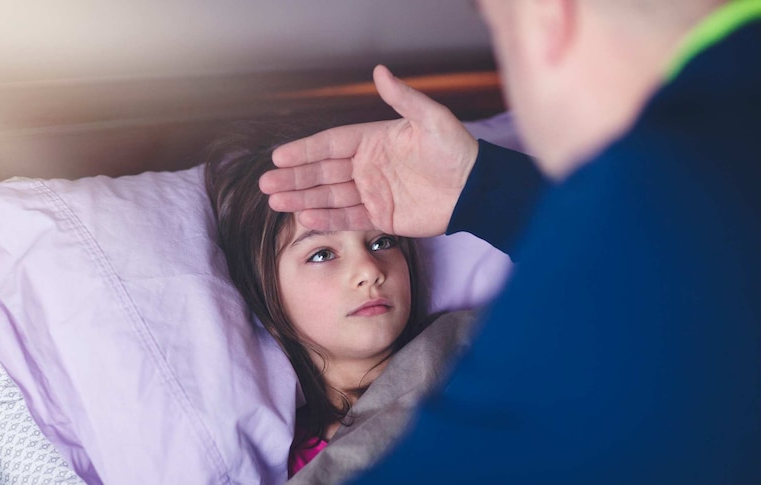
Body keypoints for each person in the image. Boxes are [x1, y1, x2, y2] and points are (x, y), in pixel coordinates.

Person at [259, 0, 761, 482]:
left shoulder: (648, 194)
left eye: (495, 30)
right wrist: (482, 187)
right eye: (322, 253)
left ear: (548, 13)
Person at [203, 123, 433, 478]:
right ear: (264, 294)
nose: (369, 270)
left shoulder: (475, 344)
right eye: (323, 254)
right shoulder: (300, 465)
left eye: (381, 242)